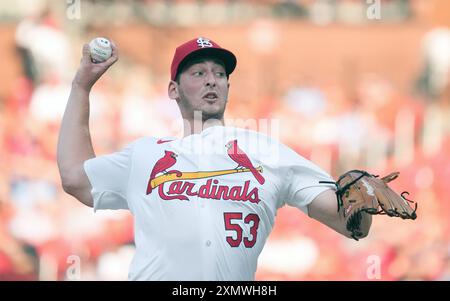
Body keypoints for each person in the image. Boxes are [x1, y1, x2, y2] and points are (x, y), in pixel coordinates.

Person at [57, 37, 406, 281]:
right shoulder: (146, 154)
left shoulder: (266, 150)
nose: (212, 80)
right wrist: (81, 87)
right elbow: (75, 177)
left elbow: (350, 225)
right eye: (198, 72)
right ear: (173, 91)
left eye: (220, 73)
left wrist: (364, 204)